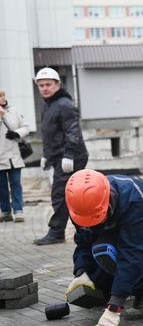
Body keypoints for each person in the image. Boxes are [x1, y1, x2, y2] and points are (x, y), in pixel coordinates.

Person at [64, 169, 143, 326]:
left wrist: (115, 306)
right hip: (117, 234)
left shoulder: (133, 199)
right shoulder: (80, 204)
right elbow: (84, 241)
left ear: (107, 202)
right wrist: (81, 272)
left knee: (107, 253)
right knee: (102, 285)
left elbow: (132, 252)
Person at [33, 67, 89, 245]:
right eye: (41, 85)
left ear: (58, 85)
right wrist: (46, 156)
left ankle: (57, 232)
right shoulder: (48, 106)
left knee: (60, 194)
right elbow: (50, 134)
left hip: (71, 156)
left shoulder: (64, 104)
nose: (44, 88)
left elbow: (73, 131)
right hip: (59, 156)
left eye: (48, 84)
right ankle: (83, 231)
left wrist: (69, 155)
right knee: (69, 195)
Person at [0, 90, 31, 223]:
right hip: (0, 156)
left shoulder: (14, 110)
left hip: (14, 155)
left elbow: (26, 127)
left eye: (3, 95)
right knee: (1, 186)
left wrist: (17, 134)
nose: (2, 98)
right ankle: (6, 211)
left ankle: (18, 211)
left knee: (16, 184)